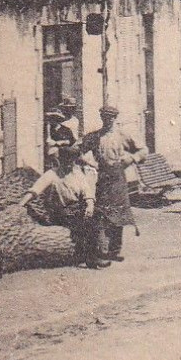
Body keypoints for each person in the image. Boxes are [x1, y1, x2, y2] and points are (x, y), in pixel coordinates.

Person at [79, 106, 143, 265]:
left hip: (118, 177)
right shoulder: (94, 137)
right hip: (102, 176)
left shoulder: (123, 135)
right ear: (102, 119)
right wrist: (87, 162)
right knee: (101, 212)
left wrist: (132, 158)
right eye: (104, 118)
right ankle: (102, 250)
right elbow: (78, 150)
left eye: (110, 118)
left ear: (115, 119)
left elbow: (143, 150)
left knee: (119, 213)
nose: (107, 121)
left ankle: (115, 250)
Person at [19, 145, 100, 268]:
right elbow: (35, 190)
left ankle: (91, 255)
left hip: (77, 208)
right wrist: (21, 204)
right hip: (60, 211)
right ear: (60, 160)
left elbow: (87, 191)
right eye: (66, 161)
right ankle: (90, 259)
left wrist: (90, 205)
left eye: (71, 161)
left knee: (95, 217)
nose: (69, 165)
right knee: (83, 224)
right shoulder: (51, 174)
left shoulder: (77, 173)